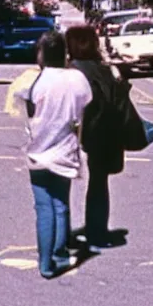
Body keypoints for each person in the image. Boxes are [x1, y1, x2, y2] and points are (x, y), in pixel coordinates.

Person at [22, 31, 92, 278]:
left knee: (44, 208)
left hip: (37, 151)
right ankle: (60, 254)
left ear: (41, 54)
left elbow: (28, 106)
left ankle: (44, 263)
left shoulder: (34, 81)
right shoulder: (77, 79)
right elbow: (86, 104)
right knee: (60, 204)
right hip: (65, 148)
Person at [65, 25, 125, 251]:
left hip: (79, 127)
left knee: (63, 183)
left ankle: (63, 231)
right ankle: (97, 230)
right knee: (99, 182)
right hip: (105, 129)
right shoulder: (104, 68)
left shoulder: (72, 70)